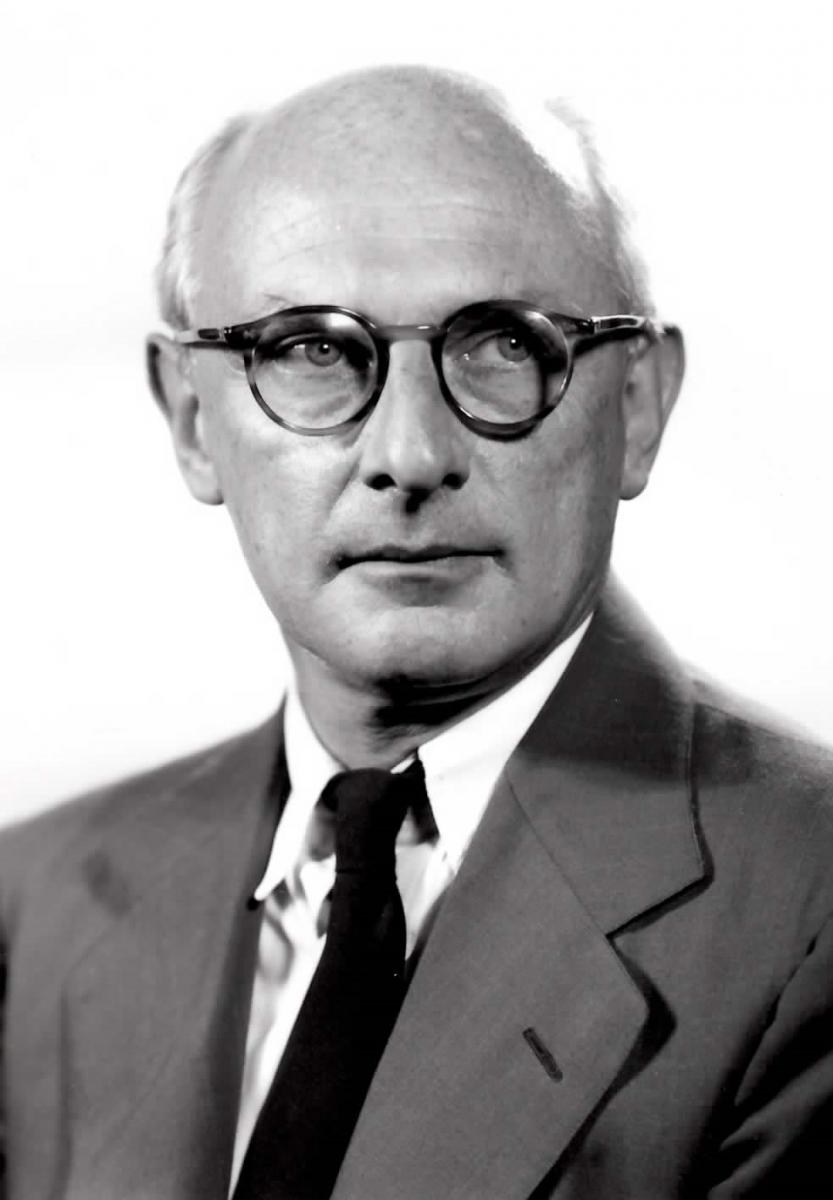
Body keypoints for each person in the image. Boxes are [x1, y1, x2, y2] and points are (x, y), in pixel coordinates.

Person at [1, 65, 831, 1200]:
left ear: (636, 408)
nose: (409, 454)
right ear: (192, 418)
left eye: (503, 345)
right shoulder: (33, 903)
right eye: (312, 349)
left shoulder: (804, 913)